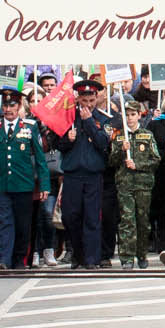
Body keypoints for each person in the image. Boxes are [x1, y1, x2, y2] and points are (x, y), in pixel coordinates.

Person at [0, 87, 50, 269]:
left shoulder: (30, 127)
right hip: (0, 184)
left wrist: (45, 185)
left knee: (23, 224)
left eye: (12, 105)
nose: (8, 109)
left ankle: (19, 260)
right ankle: (2, 259)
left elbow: (40, 159)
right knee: (2, 222)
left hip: (23, 185)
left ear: (19, 107)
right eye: (5, 105)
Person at [51, 74, 114, 270]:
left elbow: (104, 144)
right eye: (84, 100)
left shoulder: (104, 119)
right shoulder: (69, 118)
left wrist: (88, 122)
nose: (88, 104)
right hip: (72, 175)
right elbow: (56, 144)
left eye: (91, 100)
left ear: (97, 98)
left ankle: (91, 258)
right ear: (77, 98)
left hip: (93, 175)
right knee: (70, 216)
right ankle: (77, 254)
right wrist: (67, 140)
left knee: (92, 218)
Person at [112, 99, 161, 269]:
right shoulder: (119, 136)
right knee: (127, 220)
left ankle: (141, 254)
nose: (130, 118)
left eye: (133, 114)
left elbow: (155, 160)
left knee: (142, 220)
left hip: (143, 185)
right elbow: (111, 161)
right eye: (127, 115)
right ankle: (126, 257)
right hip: (125, 185)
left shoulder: (147, 135)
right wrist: (120, 149)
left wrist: (138, 165)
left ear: (139, 115)